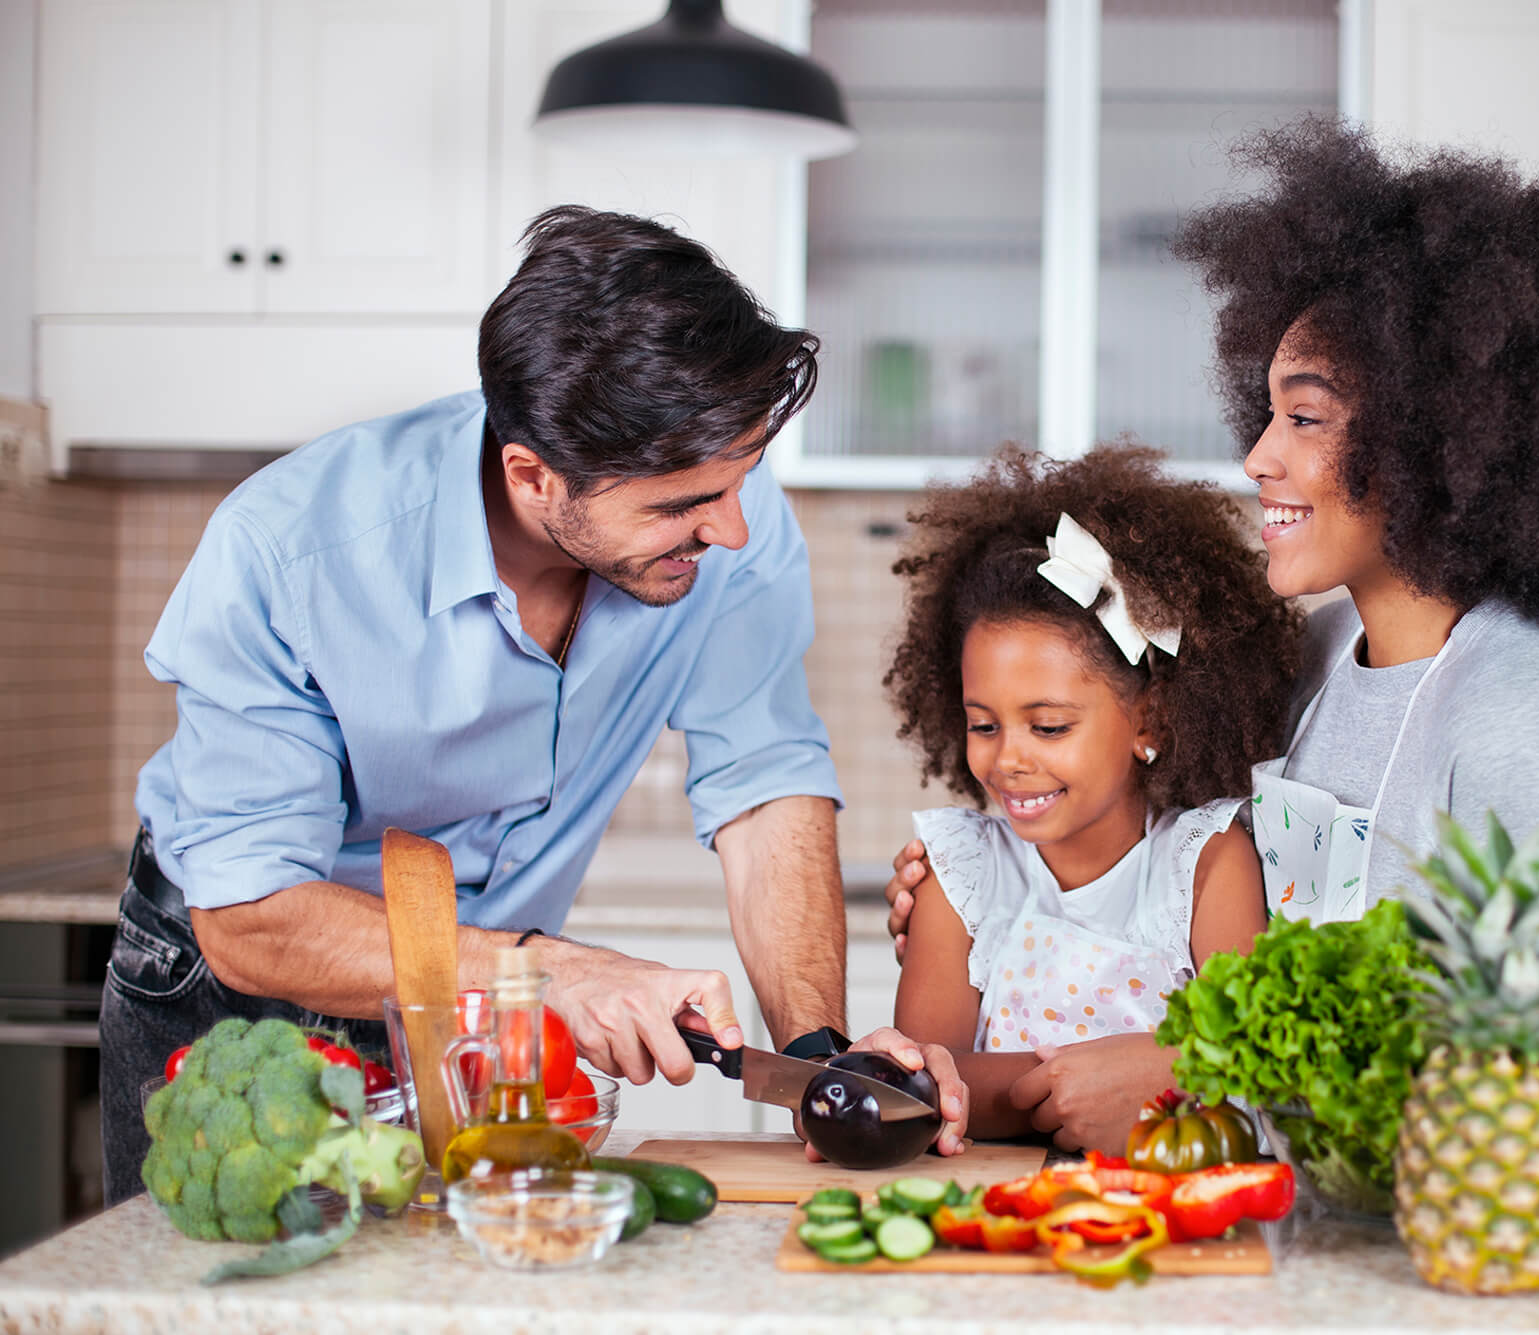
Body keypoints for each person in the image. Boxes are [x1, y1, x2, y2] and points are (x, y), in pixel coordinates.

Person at [103, 206, 964, 1203]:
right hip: (241, 1007)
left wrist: (820, 1059)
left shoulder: (725, 509)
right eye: (680, 507)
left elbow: (764, 787)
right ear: (533, 475)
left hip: (484, 1004)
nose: (730, 528)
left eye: (743, 481)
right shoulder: (285, 550)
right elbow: (250, 917)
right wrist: (550, 974)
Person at [884, 118, 1539, 1136]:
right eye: (1268, 413)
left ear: (1438, 438)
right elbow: (1157, 840)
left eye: (1306, 418)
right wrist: (976, 888)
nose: (1258, 459)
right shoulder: (1319, 656)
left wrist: (1193, 1073)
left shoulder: (1532, 714)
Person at [883, 446, 1302, 1152]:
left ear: (1150, 720)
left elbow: (1251, 1070)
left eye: (1048, 726)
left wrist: (992, 1089)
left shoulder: (1205, 864)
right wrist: (1102, 1083)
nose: (1007, 757)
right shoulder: (959, 873)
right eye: (983, 724)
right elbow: (920, 1088)